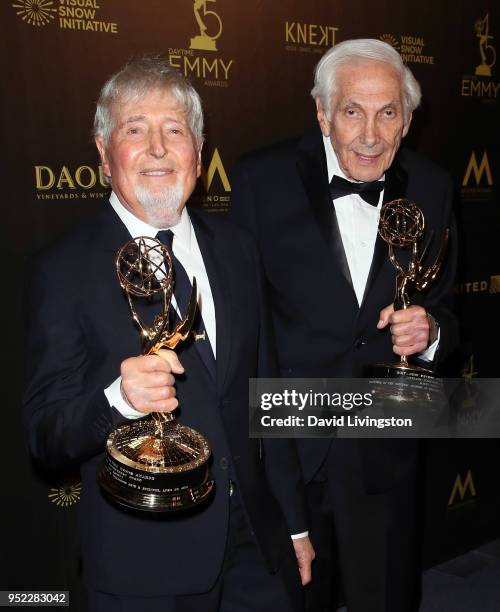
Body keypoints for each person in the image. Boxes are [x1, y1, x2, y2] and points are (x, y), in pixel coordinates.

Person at [23, 57, 314, 612]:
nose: (157, 148)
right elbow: (45, 435)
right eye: (135, 130)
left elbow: (265, 393)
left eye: (175, 130)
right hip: (146, 566)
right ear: (105, 153)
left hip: (257, 547)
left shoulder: (237, 248)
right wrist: (118, 400)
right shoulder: (61, 269)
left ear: (199, 156)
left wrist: (294, 522)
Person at [230, 39, 458, 612]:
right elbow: (242, 324)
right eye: (352, 111)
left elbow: (449, 310)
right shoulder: (262, 179)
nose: (370, 134)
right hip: (288, 447)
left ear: (407, 120)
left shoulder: (433, 187)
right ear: (322, 112)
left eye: (388, 113)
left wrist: (429, 334)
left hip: (385, 444)